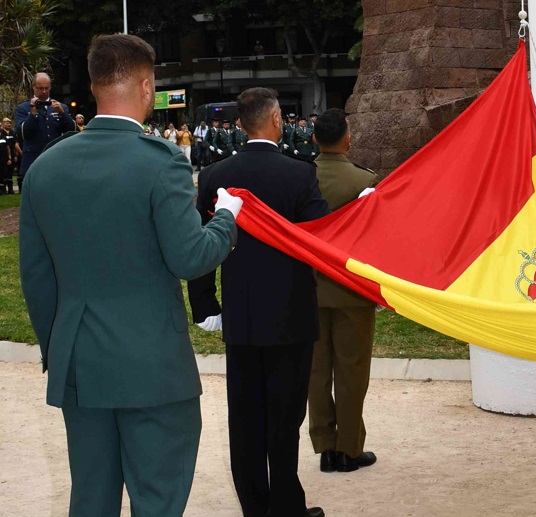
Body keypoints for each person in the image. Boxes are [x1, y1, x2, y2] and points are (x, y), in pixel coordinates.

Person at [19, 33, 240, 517]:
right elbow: (190, 257)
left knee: (91, 499)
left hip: (79, 362)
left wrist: (59, 348)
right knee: (158, 499)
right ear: (146, 87)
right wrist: (227, 219)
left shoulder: (45, 168)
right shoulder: (159, 161)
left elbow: (36, 279)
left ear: (95, 86)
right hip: (152, 363)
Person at [192, 87, 330, 517]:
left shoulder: (214, 175)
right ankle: (286, 506)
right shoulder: (300, 175)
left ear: (240, 125)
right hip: (291, 313)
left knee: (245, 416)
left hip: (242, 312)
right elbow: (323, 237)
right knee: (286, 418)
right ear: (275, 120)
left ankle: (254, 506)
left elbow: (200, 244)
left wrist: (205, 303)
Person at [307, 108, 381, 473]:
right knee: (352, 372)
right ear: (347, 139)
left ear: (314, 139)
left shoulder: (302, 177)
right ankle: (349, 448)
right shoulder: (363, 181)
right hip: (352, 290)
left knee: (317, 372)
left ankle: (325, 447)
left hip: (310, 289)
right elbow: (375, 239)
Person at [14, 72, 76, 175]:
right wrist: (33, 114)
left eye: (47, 88)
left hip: (55, 158)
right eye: (40, 88)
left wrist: (62, 113)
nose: (44, 91)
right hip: (33, 159)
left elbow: (71, 130)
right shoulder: (23, 108)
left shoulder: (60, 106)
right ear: (33, 87)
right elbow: (22, 134)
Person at [1, 118, 21, 193]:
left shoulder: (13, 132)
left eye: (9, 123)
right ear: (3, 124)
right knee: (3, 173)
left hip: (12, 154)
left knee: (10, 172)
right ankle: (3, 189)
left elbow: (16, 144)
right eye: (7, 123)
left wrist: (16, 155)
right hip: (3, 155)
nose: (9, 124)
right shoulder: (1, 133)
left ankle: (10, 189)